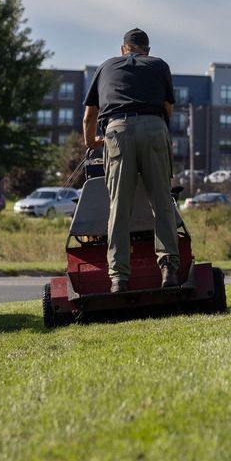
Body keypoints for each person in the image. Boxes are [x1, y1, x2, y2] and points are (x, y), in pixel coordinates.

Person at [82, 28, 179, 293]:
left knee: (118, 207)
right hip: (154, 128)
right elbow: (169, 108)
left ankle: (118, 278)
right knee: (162, 202)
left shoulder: (105, 67)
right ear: (147, 51)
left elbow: (90, 115)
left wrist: (92, 143)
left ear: (123, 49)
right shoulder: (159, 65)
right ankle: (169, 269)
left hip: (117, 132)